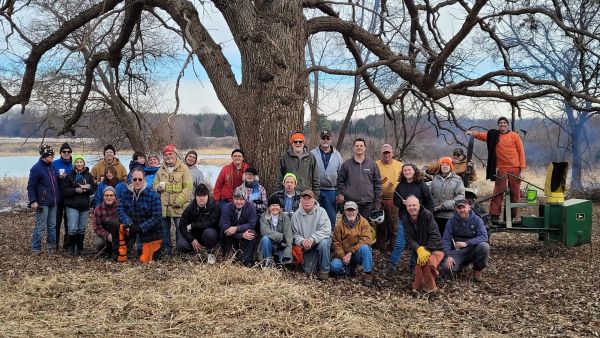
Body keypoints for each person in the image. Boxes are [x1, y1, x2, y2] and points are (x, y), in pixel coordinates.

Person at [466, 116, 526, 221]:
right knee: (498, 192)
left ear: (507, 124)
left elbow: (521, 153)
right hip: (501, 169)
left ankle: (511, 217)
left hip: (515, 168)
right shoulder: (494, 135)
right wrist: (473, 133)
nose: (502, 124)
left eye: (504, 123)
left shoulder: (514, 136)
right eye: (500, 123)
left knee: (515, 193)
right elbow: (482, 135)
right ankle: (494, 215)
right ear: (498, 125)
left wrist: (522, 170)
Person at [387, 164, 435, 273]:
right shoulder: (400, 186)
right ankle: (392, 264)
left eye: (409, 170)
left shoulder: (421, 185)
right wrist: (403, 203)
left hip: (419, 219)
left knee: (417, 243)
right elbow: (395, 200)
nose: (407, 172)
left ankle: (414, 266)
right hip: (404, 218)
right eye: (405, 170)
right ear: (402, 172)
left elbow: (430, 202)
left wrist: (428, 216)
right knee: (400, 242)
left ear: (414, 171)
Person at [153, 144, 193, 257]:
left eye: (170, 154)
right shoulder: (160, 169)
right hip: (164, 206)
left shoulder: (184, 168)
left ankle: (182, 251)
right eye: (165, 154)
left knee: (181, 229)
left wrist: (179, 201)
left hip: (179, 206)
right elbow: (154, 184)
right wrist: (157, 188)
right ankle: (167, 253)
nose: (168, 156)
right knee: (164, 231)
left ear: (175, 155)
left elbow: (188, 187)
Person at [337, 138, 382, 235]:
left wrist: (377, 202)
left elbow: (377, 184)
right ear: (353, 148)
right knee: (350, 228)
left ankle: (366, 248)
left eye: (361, 146)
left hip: (367, 203)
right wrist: (346, 192)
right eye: (357, 146)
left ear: (365, 148)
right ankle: (350, 248)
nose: (359, 147)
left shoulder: (372, 164)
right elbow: (340, 181)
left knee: (365, 229)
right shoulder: (346, 165)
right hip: (351, 203)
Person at [117, 167, 163, 263]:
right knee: (117, 226)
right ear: (131, 180)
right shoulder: (126, 193)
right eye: (134, 179)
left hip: (150, 232)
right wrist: (128, 223)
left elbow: (156, 217)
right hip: (132, 227)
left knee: (145, 260)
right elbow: (120, 209)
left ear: (144, 179)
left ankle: (150, 248)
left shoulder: (153, 196)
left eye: (140, 179)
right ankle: (121, 251)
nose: (137, 181)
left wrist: (140, 228)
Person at [403, 196, 444, 294]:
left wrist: (426, 249)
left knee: (427, 263)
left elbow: (435, 235)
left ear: (419, 205)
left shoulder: (427, 215)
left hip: (435, 248)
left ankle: (430, 289)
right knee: (419, 266)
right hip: (419, 250)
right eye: (409, 205)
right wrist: (418, 249)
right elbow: (408, 238)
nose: (412, 208)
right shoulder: (405, 218)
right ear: (406, 207)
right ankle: (419, 288)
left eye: (414, 205)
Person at [442, 199, 490, 282]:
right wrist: (448, 255)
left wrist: (467, 243)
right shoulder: (451, 221)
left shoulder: (477, 220)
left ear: (469, 208)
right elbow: (446, 239)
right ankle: (461, 265)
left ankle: (477, 270)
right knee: (447, 270)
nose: (462, 210)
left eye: (463, 207)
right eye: (459, 208)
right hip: (457, 251)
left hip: (472, 249)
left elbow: (484, 236)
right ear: (456, 209)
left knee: (484, 246)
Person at [331, 201, 375, 287]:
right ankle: (348, 268)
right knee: (334, 266)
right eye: (348, 210)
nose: (350, 212)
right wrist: (343, 256)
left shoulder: (364, 222)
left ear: (357, 211)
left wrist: (351, 252)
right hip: (344, 255)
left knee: (366, 248)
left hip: (357, 253)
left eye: (353, 210)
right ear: (344, 211)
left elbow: (366, 239)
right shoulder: (339, 225)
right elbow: (336, 243)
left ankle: (368, 273)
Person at [291, 190, 331, 281]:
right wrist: (302, 241)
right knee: (309, 271)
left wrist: (313, 239)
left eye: (309, 199)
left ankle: (325, 270)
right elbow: (294, 234)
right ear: (300, 201)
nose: (306, 201)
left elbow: (326, 230)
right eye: (304, 199)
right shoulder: (296, 215)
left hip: (319, 241)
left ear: (314, 200)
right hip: (306, 246)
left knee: (324, 243)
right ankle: (317, 260)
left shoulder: (321, 211)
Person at [27, 144, 59, 255]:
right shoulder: (36, 168)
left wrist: (60, 176)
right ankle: (36, 248)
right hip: (42, 202)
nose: (53, 157)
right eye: (51, 155)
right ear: (45, 155)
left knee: (52, 226)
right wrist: (33, 201)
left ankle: (52, 247)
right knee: (40, 226)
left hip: (53, 201)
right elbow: (31, 186)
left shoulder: (52, 166)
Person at [176, 184, 220, 264]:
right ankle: (194, 253)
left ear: (208, 196)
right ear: (195, 197)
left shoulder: (215, 206)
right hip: (194, 237)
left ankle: (210, 252)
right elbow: (182, 225)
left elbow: (211, 222)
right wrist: (191, 239)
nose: (201, 198)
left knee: (210, 233)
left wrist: (193, 225)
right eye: (199, 196)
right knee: (181, 244)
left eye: (204, 196)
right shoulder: (190, 208)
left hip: (207, 236)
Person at [62, 154, 96, 256]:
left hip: (84, 205)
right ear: (74, 164)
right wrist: (75, 190)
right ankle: (71, 249)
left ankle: (80, 249)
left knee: (81, 228)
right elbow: (64, 191)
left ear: (84, 163)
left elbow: (94, 188)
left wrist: (88, 189)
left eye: (81, 162)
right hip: (72, 205)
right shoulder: (69, 175)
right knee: (73, 228)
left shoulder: (88, 175)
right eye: (77, 162)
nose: (79, 164)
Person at [310, 130, 343, 229]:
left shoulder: (337, 155)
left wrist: (340, 192)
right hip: (316, 190)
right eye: (323, 138)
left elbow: (341, 176)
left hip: (331, 191)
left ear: (331, 140)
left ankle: (330, 240)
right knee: (314, 218)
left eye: (327, 138)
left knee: (330, 218)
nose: (325, 140)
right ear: (320, 140)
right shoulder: (312, 154)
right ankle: (315, 242)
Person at [220, 187, 258, 267]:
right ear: (233, 198)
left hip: (243, 231)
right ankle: (233, 256)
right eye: (237, 199)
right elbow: (226, 228)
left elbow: (252, 224)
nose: (239, 202)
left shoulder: (251, 207)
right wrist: (241, 235)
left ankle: (247, 259)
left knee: (252, 234)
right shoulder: (226, 208)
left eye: (241, 199)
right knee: (230, 260)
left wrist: (237, 228)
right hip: (230, 235)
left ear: (245, 199)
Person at [375, 143, 403, 251]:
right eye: (384, 153)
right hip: (380, 199)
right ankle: (380, 246)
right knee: (381, 224)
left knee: (394, 225)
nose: (386, 155)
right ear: (381, 153)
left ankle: (393, 246)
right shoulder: (375, 165)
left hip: (394, 200)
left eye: (388, 153)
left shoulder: (399, 165)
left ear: (392, 153)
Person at [278, 131, 320, 198]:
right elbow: (279, 177)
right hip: (289, 194)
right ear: (292, 143)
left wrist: (315, 196)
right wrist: (279, 194)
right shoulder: (285, 157)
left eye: (300, 142)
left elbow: (316, 178)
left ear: (303, 143)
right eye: (295, 142)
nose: (298, 144)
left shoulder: (311, 157)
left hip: (306, 194)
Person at [430, 157, 465, 234]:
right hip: (434, 214)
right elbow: (430, 194)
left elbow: (460, 197)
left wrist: (444, 206)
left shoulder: (457, 180)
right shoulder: (435, 178)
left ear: (451, 167)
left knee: (446, 237)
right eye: (443, 164)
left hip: (449, 216)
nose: (445, 166)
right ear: (440, 166)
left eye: (447, 165)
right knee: (435, 236)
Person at [258, 196, 293, 267]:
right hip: (269, 245)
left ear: (280, 207)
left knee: (284, 263)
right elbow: (264, 231)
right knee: (265, 238)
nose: (275, 207)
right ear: (268, 207)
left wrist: (287, 253)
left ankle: (281, 260)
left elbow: (288, 235)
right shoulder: (264, 216)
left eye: (277, 205)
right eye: (272, 205)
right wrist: (280, 237)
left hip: (281, 245)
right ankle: (268, 261)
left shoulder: (285, 217)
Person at [53, 142, 73, 250]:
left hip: (69, 197)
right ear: (61, 152)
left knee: (68, 222)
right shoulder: (55, 163)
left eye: (68, 151)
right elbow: (49, 177)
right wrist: (58, 176)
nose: (66, 153)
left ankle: (67, 245)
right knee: (56, 222)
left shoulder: (74, 164)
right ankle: (54, 244)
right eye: (64, 151)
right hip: (57, 196)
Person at [92, 186, 120, 258]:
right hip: (105, 234)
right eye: (106, 195)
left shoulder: (120, 207)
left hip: (119, 233)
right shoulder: (98, 209)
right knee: (98, 243)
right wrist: (107, 235)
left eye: (111, 195)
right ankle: (105, 251)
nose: (109, 197)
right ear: (103, 196)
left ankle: (120, 251)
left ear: (115, 196)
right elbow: (96, 227)